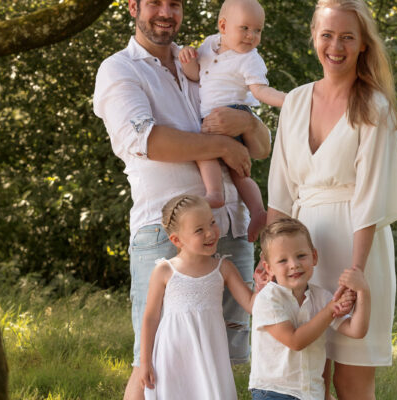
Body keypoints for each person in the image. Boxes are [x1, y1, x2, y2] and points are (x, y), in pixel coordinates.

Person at [92, 0, 271, 399]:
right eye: (154, 1)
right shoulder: (120, 69)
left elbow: (258, 148)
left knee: (215, 360)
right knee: (152, 361)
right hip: (166, 233)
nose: (165, 11)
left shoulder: (206, 59)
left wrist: (246, 122)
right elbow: (146, 139)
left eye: (174, 3)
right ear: (133, 6)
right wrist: (222, 144)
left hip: (229, 228)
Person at [263, 0, 397, 398]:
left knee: (350, 380)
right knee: (306, 377)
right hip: (298, 252)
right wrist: (268, 262)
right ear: (314, 37)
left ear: (363, 43)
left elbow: (371, 198)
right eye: (327, 35)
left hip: (354, 248)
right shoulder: (294, 101)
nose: (336, 46)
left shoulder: (374, 106)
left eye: (348, 36)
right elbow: (279, 188)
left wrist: (356, 275)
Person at [178, 0, 286, 242]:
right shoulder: (208, 45)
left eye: (258, 30)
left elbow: (260, 91)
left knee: (203, 149)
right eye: (245, 28)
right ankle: (258, 211)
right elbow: (195, 75)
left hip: (230, 114)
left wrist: (289, 100)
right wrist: (187, 60)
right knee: (239, 173)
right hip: (215, 116)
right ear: (223, 26)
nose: (251, 36)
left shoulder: (250, 59)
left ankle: (215, 193)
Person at [139, 195, 257, 400]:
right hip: (173, 354)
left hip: (209, 352)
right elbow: (150, 318)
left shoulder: (224, 268)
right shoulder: (165, 271)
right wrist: (145, 362)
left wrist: (263, 284)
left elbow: (251, 305)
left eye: (212, 222)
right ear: (176, 240)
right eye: (199, 230)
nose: (210, 233)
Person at [249, 218, 371, 400]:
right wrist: (330, 310)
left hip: (311, 393)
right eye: (282, 260)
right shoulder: (268, 299)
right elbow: (295, 341)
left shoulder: (321, 297)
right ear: (269, 268)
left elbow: (356, 330)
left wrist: (363, 291)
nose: (294, 264)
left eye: (301, 256)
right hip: (274, 392)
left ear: (314, 256)